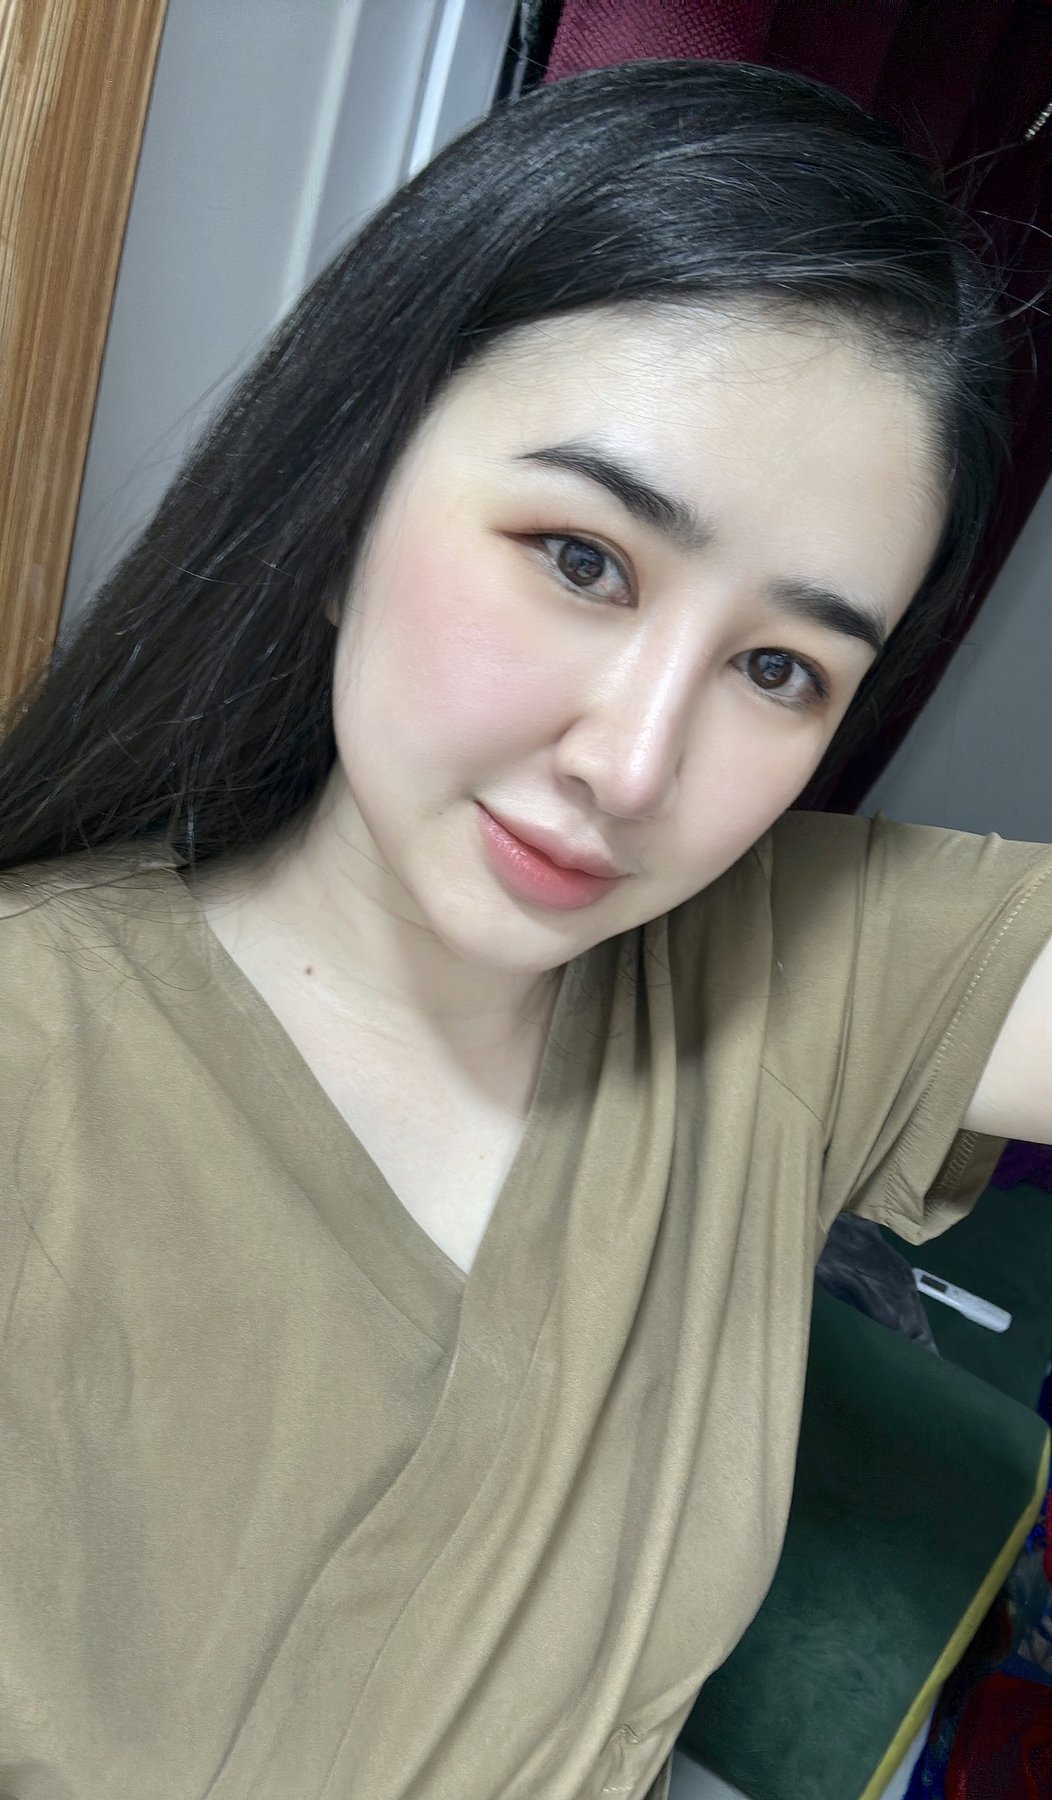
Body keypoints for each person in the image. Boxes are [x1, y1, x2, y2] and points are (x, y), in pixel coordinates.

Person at [0, 57, 1050, 1800]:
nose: (635, 768)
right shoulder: (38, 1059)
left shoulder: (795, 977)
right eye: (581, 559)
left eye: (778, 668)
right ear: (350, 491)